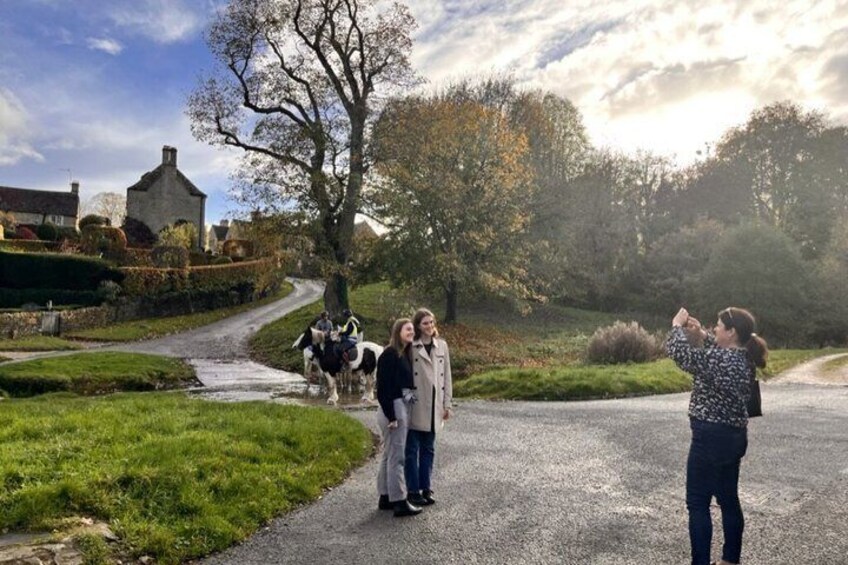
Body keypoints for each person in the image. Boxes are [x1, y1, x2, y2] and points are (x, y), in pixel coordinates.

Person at [666, 306, 768, 565]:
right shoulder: (743, 357)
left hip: (709, 437)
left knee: (698, 503)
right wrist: (701, 334)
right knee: (728, 499)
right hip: (734, 437)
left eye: (719, 327)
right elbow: (717, 349)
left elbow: (681, 354)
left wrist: (676, 326)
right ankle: (730, 560)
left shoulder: (719, 360)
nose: (714, 329)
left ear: (731, 332)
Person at [405, 307, 453, 507]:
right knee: (411, 450)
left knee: (428, 449)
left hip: (435, 404)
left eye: (431, 322)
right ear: (418, 326)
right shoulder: (410, 347)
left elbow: (447, 376)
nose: (430, 326)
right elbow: (404, 376)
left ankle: (426, 487)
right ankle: (413, 490)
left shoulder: (442, 346)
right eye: (425, 323)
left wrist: (447, 404)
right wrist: (407, 400)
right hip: (416, 405)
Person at [376, 318, 422, 517]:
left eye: (412, 329)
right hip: (393, 407)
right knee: (397, 456)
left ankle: (385, 496)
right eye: (408, 329)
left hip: (399, 405)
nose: (412, 332)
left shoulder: (403, 354)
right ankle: (400, 501)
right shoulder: (389, 354)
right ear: (398, 332)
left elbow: (406, 385)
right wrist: (392, 416)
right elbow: (383, 388)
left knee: (389, 454)